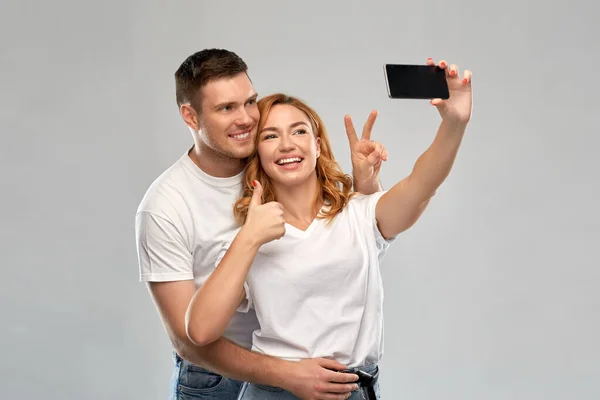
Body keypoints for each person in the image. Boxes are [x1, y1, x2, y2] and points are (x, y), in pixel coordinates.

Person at [184, 58, 473, 399]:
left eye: (299, 131)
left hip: (355, 390)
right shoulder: (250, 234)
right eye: (270, 135)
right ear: (257, 154)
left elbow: (421, 185)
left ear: (317, 145)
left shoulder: (360, 214)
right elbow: (200, 331)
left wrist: (454, 123)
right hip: (275, 393)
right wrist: (249, 237)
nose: (287, 144)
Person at [135, 48, 388, 400]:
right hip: (215, 378)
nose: (246, 119)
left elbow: (346, 243)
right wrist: (284, 374)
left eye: (249, 102)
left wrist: (367, 185)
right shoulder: (165, 206)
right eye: (226, 108)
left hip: (303, 368)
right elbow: (186, 339)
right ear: (190, 117)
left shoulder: (278, 157)